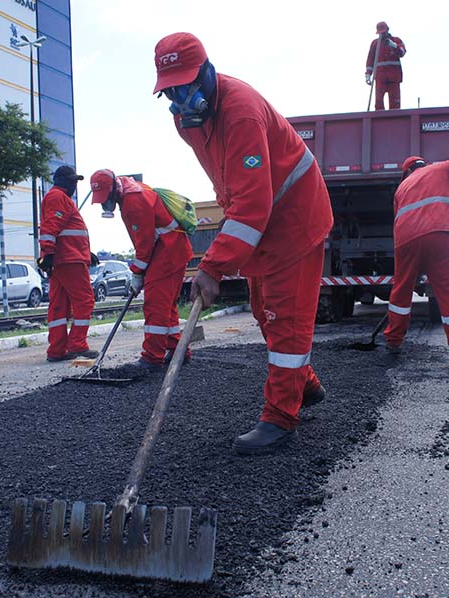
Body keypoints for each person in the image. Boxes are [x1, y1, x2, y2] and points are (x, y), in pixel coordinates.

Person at [152, 32, 334, 455]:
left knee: (284, 317)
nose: (180, 98)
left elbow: (254, 203)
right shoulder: (186, 121)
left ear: (208, 72)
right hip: (260, 218)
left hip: (294, 217)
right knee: (262, 311)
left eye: (186, 84)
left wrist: (212, 266)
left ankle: (280, 417)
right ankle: (304, 384)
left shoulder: (242, 113)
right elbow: (231, 183)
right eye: (170, 90)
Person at [90, 169, 193, 370]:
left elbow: (144, 243)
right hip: (170, 248)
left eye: (105, 198)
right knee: (166, 305)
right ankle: (177, 351)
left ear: (113, 190)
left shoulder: (133, 201)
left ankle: (152, 357)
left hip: (167, 250)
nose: (104, 203)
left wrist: (136, 272)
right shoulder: (130, 188)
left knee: (156, 305)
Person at [384, 155, 449, 368]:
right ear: (422, 165)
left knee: (401, 291)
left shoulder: (401, 188)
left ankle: (392, 342)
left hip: (405, 239)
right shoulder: (440, 167)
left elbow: (400, 218)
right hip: (439, 232)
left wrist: (415, 265)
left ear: (406, 172)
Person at [37, 165, 99, 362]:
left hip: (65, 258)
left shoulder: (58, 198)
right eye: (72, 180)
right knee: (84, 300)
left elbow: (63, 230)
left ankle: (57, 350)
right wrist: (47, 252)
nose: (74, 184)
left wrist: (86, 252)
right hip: (69, 259)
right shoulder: (58, 198)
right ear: (62, 181)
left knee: (59, 305)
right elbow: (50, 227)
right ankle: (77, 345)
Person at [366, 21, 406, 111]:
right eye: (380, 33)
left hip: (394, 78)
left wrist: (394, 46)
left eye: (383, 32)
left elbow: (402, 52)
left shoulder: (396, 41)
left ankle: (395, 120)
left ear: (387, 30)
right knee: (378, 102)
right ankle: (379, 121)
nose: (382, 34)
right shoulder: (375, 44)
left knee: (395, 103)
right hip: (380, 78)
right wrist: (368, 74)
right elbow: (370, 60)